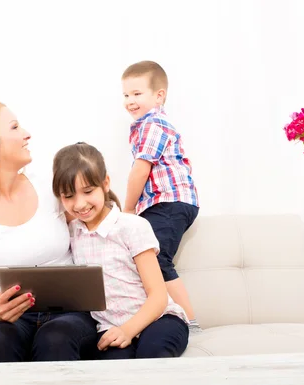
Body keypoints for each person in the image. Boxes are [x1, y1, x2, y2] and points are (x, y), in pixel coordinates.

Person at [0, 101, 98, 362]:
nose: (27, 134)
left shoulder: (52, 189)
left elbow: (96, 224)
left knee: (56, 338)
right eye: (15, 127)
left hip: (69, 315)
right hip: (8, 320)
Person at [51, 142, 189, 359]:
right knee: (114, 367)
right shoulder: (71, 232)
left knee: (152, 353)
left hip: (159, 319)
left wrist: (129, 330)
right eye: (68, 196)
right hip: (110, 328)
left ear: (105, 183)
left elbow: (158, 296)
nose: (79, 204)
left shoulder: (132, 226)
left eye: (88, 191)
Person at [121, 60, 202, 333]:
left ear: (159, 95)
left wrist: (128, 209)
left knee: (155, 258)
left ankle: (190, 321)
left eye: (137, 94)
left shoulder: (153, 124)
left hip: (170, 202)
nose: (130, 101)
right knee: (142, 258)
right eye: (126, 95)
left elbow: (141, 168)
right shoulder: (146, 125)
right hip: (166, 203)